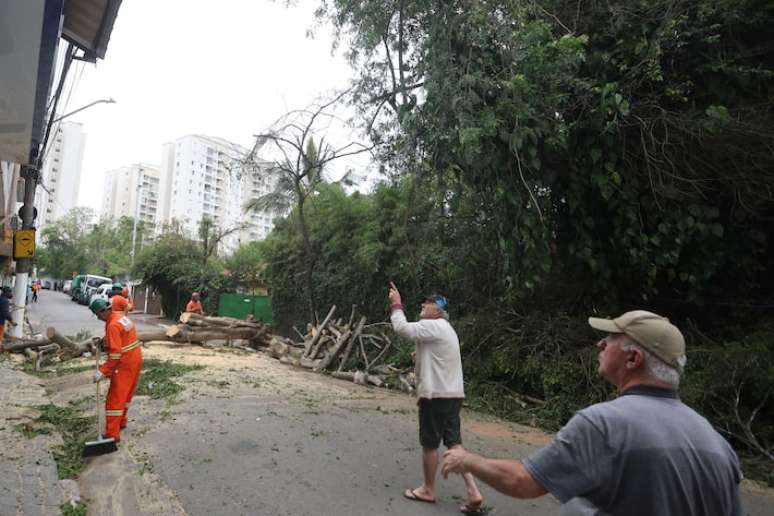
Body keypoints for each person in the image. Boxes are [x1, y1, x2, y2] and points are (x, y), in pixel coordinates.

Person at [442, 310, 744, 516]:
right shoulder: (718, 444)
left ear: (633, 358)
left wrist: (468, 460)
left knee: (576, 506)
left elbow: (523, 481)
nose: (601, 343)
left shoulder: (604, 424)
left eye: (611, 338)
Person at [388, 282, 483, 515]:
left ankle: (428, 490)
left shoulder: (433, 326)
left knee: (430, 443)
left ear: (438, 310)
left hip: (436, 396)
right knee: (454, 443)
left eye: (428, 303)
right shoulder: (446, 329)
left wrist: (396, 303)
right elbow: (435, 355)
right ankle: (473, 492)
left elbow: (402, 328)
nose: (423, 305)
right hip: (453, 395)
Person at [89, 298, 143, 443]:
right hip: (135, 359)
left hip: (124, 363)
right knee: (126, 394)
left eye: (97, 314)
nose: (97, 317)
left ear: (103, 311)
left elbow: (115, 354)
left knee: (115, 399)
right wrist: (104, 342)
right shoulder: (120, 318)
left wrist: (103, 371)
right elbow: (121, 337)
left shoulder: (112, 325)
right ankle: (121, 422)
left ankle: (112, 434)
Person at [0, 286, 17, 352]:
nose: (11, 293)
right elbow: (6, 313)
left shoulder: (1, 298)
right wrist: (12, 322)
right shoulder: (5, 301)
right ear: (6, 293)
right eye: (10, 292)